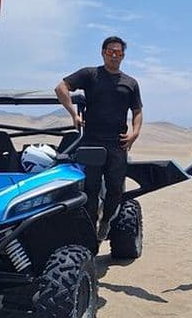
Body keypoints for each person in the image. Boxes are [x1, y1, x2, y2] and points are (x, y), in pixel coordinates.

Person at [55, 36, 143, 240]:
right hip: (91, 143)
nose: (114, 56)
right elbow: (61, 88)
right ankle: (90, 230)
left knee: (115, 190)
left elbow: (137, 110)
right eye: (110, 51)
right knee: (90, 190)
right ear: (103, 52)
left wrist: (135, 133)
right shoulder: (90, 74)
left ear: (123, 56)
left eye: (119, 53)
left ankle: (105, 223)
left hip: (118, 144)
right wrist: (73, 113)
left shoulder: (130, 83)